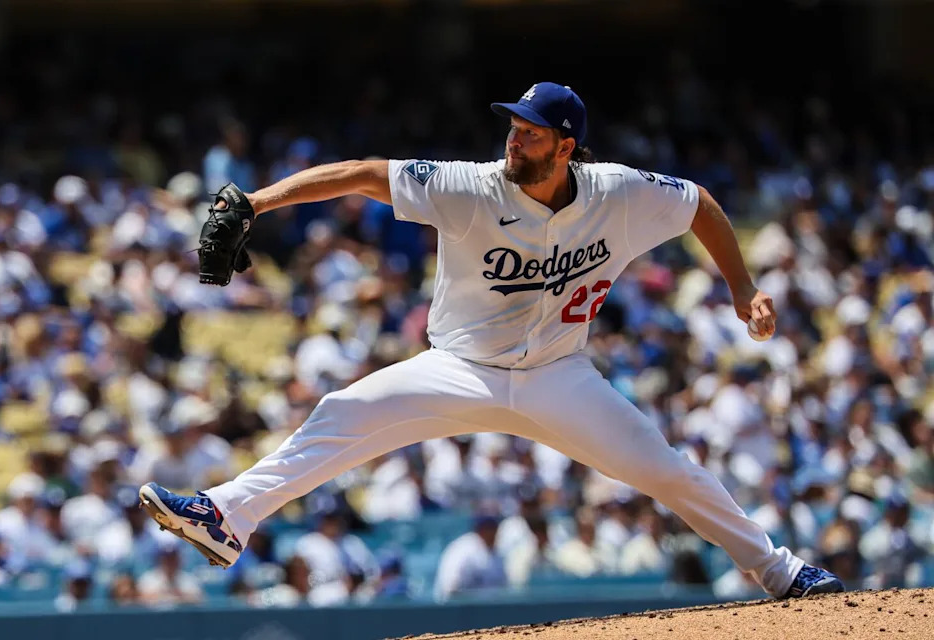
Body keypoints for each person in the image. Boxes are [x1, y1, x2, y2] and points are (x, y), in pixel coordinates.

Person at [139, 82, 843, 600]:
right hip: (459, 369)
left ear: (568, 147)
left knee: (665, 471)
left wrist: (741, 289)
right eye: (513, 125)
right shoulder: (469, 187)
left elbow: (700, 205)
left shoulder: (620, 193)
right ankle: (226, 515)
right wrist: (259, 203)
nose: (515, 138)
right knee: (343, 413)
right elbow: (362, 173)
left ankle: (780, 573)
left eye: (533, 132)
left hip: (560, 377)